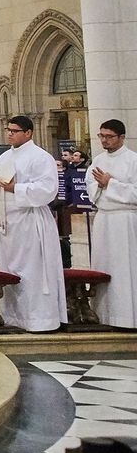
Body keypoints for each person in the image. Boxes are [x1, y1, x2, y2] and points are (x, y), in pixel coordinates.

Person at [0, 115, 66, 332]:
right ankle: (13, 316)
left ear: (29, 133)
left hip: (31, 222)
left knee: (33, 271)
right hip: (9, 223)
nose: (10, 133)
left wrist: (14, 188)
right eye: (8, 129)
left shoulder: (41, 157)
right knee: (10, 269)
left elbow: (48, 190)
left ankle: (39, 319)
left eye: (14, 130)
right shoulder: (5, 157)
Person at [89, 119, 137, 328]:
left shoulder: (133, 160)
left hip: (125, 220)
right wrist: (99, 187)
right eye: (102, 136)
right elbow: (90, 187)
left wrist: (111, 184)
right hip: (104, 218)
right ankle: (103, 314)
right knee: (103, 265)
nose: (104, 141)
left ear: (122, 137)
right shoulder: (97, 160)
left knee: (125, 268)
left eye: (109, 136)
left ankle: (128, 317)